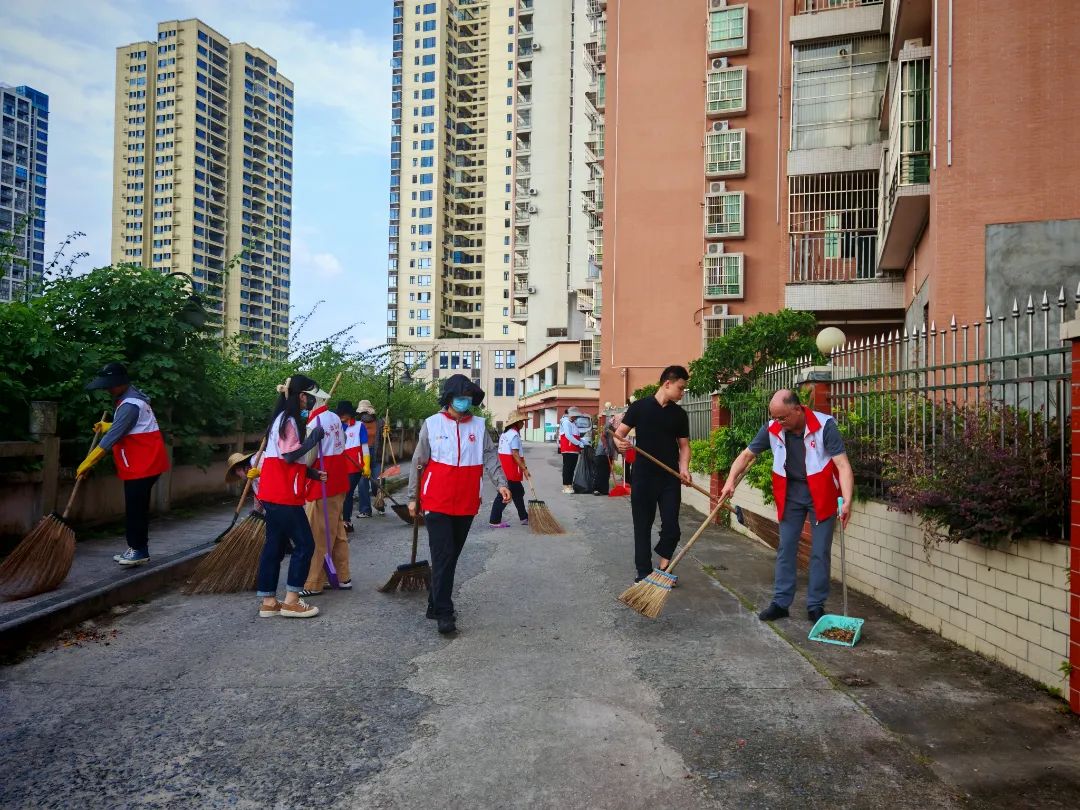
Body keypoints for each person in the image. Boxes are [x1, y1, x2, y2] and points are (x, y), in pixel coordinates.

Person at [719, 389, 854, 623]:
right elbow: (746, 455)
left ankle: (815, 606)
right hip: (791, 495)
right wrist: (730, 480)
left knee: (820, 552)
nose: (778, 422)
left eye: (782, 417)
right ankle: (781, 603)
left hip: (822, 494)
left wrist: (848, 501)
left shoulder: (825, 426)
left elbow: (842, 465)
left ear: (797, 409)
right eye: (774, 417)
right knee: (786, 547)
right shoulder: (773, 428)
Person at [408, 374, 511, 635]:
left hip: (466, 500)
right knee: (443, 554)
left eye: (468, 398)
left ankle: (434, 602)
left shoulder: (479, 426)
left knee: (451, 555)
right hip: (436, 500)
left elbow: (490, 456)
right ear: (449, 398)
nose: (465, 401)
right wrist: (413, 497)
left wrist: (501, 483)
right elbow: (418, 462)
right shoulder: (432, 424)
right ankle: (444, 612)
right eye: (460, 397)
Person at [249, 375, 328, 619]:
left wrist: (311, 473)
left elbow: (285, 458)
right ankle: (292, 600)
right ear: (302, 396)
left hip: (272, 491)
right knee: (305, 544)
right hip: (285, 494)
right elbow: (289, 456)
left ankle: (269, 601)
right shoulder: (289, 421)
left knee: (274, 545)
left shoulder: (280, 419)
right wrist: (313, 438)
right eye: (311, 396)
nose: (312, 401)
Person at [79, 362, 171, 567]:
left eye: (111, 385)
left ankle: (138, 550)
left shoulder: (130, 404)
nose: (108, 389)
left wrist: (89, 461)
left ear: (121, 382)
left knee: (135, 509)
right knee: (136, 507)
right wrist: (108, 425)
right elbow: (128, 425)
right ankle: (136, 548)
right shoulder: (133, 398)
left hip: (142, 464)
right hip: (145, 462)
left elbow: (112, 437)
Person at [612, 366, 692, 583]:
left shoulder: (679, 415)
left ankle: (664, 568)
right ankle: (643, 572)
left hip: (669, 478)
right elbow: (619, 434)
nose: (682, 393)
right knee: (642, 525)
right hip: (643, 476)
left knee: (672, 527)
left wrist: (684, 468)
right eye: (680, 388)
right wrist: (620, 444)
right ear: (667, 383)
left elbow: (684, 446)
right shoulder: (639, 407)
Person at [300, 388, 352, 596]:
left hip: (322, 482)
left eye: (304, 397)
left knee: (319, 534)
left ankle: (313, 582)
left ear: (312, 400)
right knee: (337, 531)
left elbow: (307, 458)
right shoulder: (334, 418)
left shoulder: (314, 423)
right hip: (339, 480)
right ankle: (342, 576)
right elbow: (343, 443)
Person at [489, 410, 529, 528]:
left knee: (518, 492)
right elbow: (515, 454)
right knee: (504, 495)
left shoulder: (505, 434)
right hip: (511, 469)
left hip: (504, 468)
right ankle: (494, 520)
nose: (523, 423)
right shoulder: (514, 435)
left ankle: (524, 517)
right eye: (522, 421)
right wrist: (525, 469)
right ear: (516, 423)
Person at [337, 401, 370, 533]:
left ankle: (346, 521)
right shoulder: (337, 427)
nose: (341, 416)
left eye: (343, 413)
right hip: (340, 466)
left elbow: (365, 447)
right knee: (340, 494)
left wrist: (366, 465)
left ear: (349, 414)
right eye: (339, 414)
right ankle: (340, 521)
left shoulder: (359, 426)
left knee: (348, 492)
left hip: (355, 467)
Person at [357, 400, 383, 516]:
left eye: (365, 412)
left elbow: (387, 439)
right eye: (362, 412)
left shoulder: (380, 423)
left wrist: (387, 432)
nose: (363, 414)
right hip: (363, 456)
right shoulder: (358, 424)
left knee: (378, 482)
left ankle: (380, 505)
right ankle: (365, 510)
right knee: (363, 483)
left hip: (377, 454)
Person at [558, 406, 586, 494]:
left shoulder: (573, 423)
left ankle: (569, 485)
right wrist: (578, 443)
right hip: (568, 448)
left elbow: (576, 436)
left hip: (574, 449)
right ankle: (565, 485)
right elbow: (568, 435)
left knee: (572, 468)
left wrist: (583, 441)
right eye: (575, 416)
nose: (576, 418)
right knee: (567, 468)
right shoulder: (566, 422)